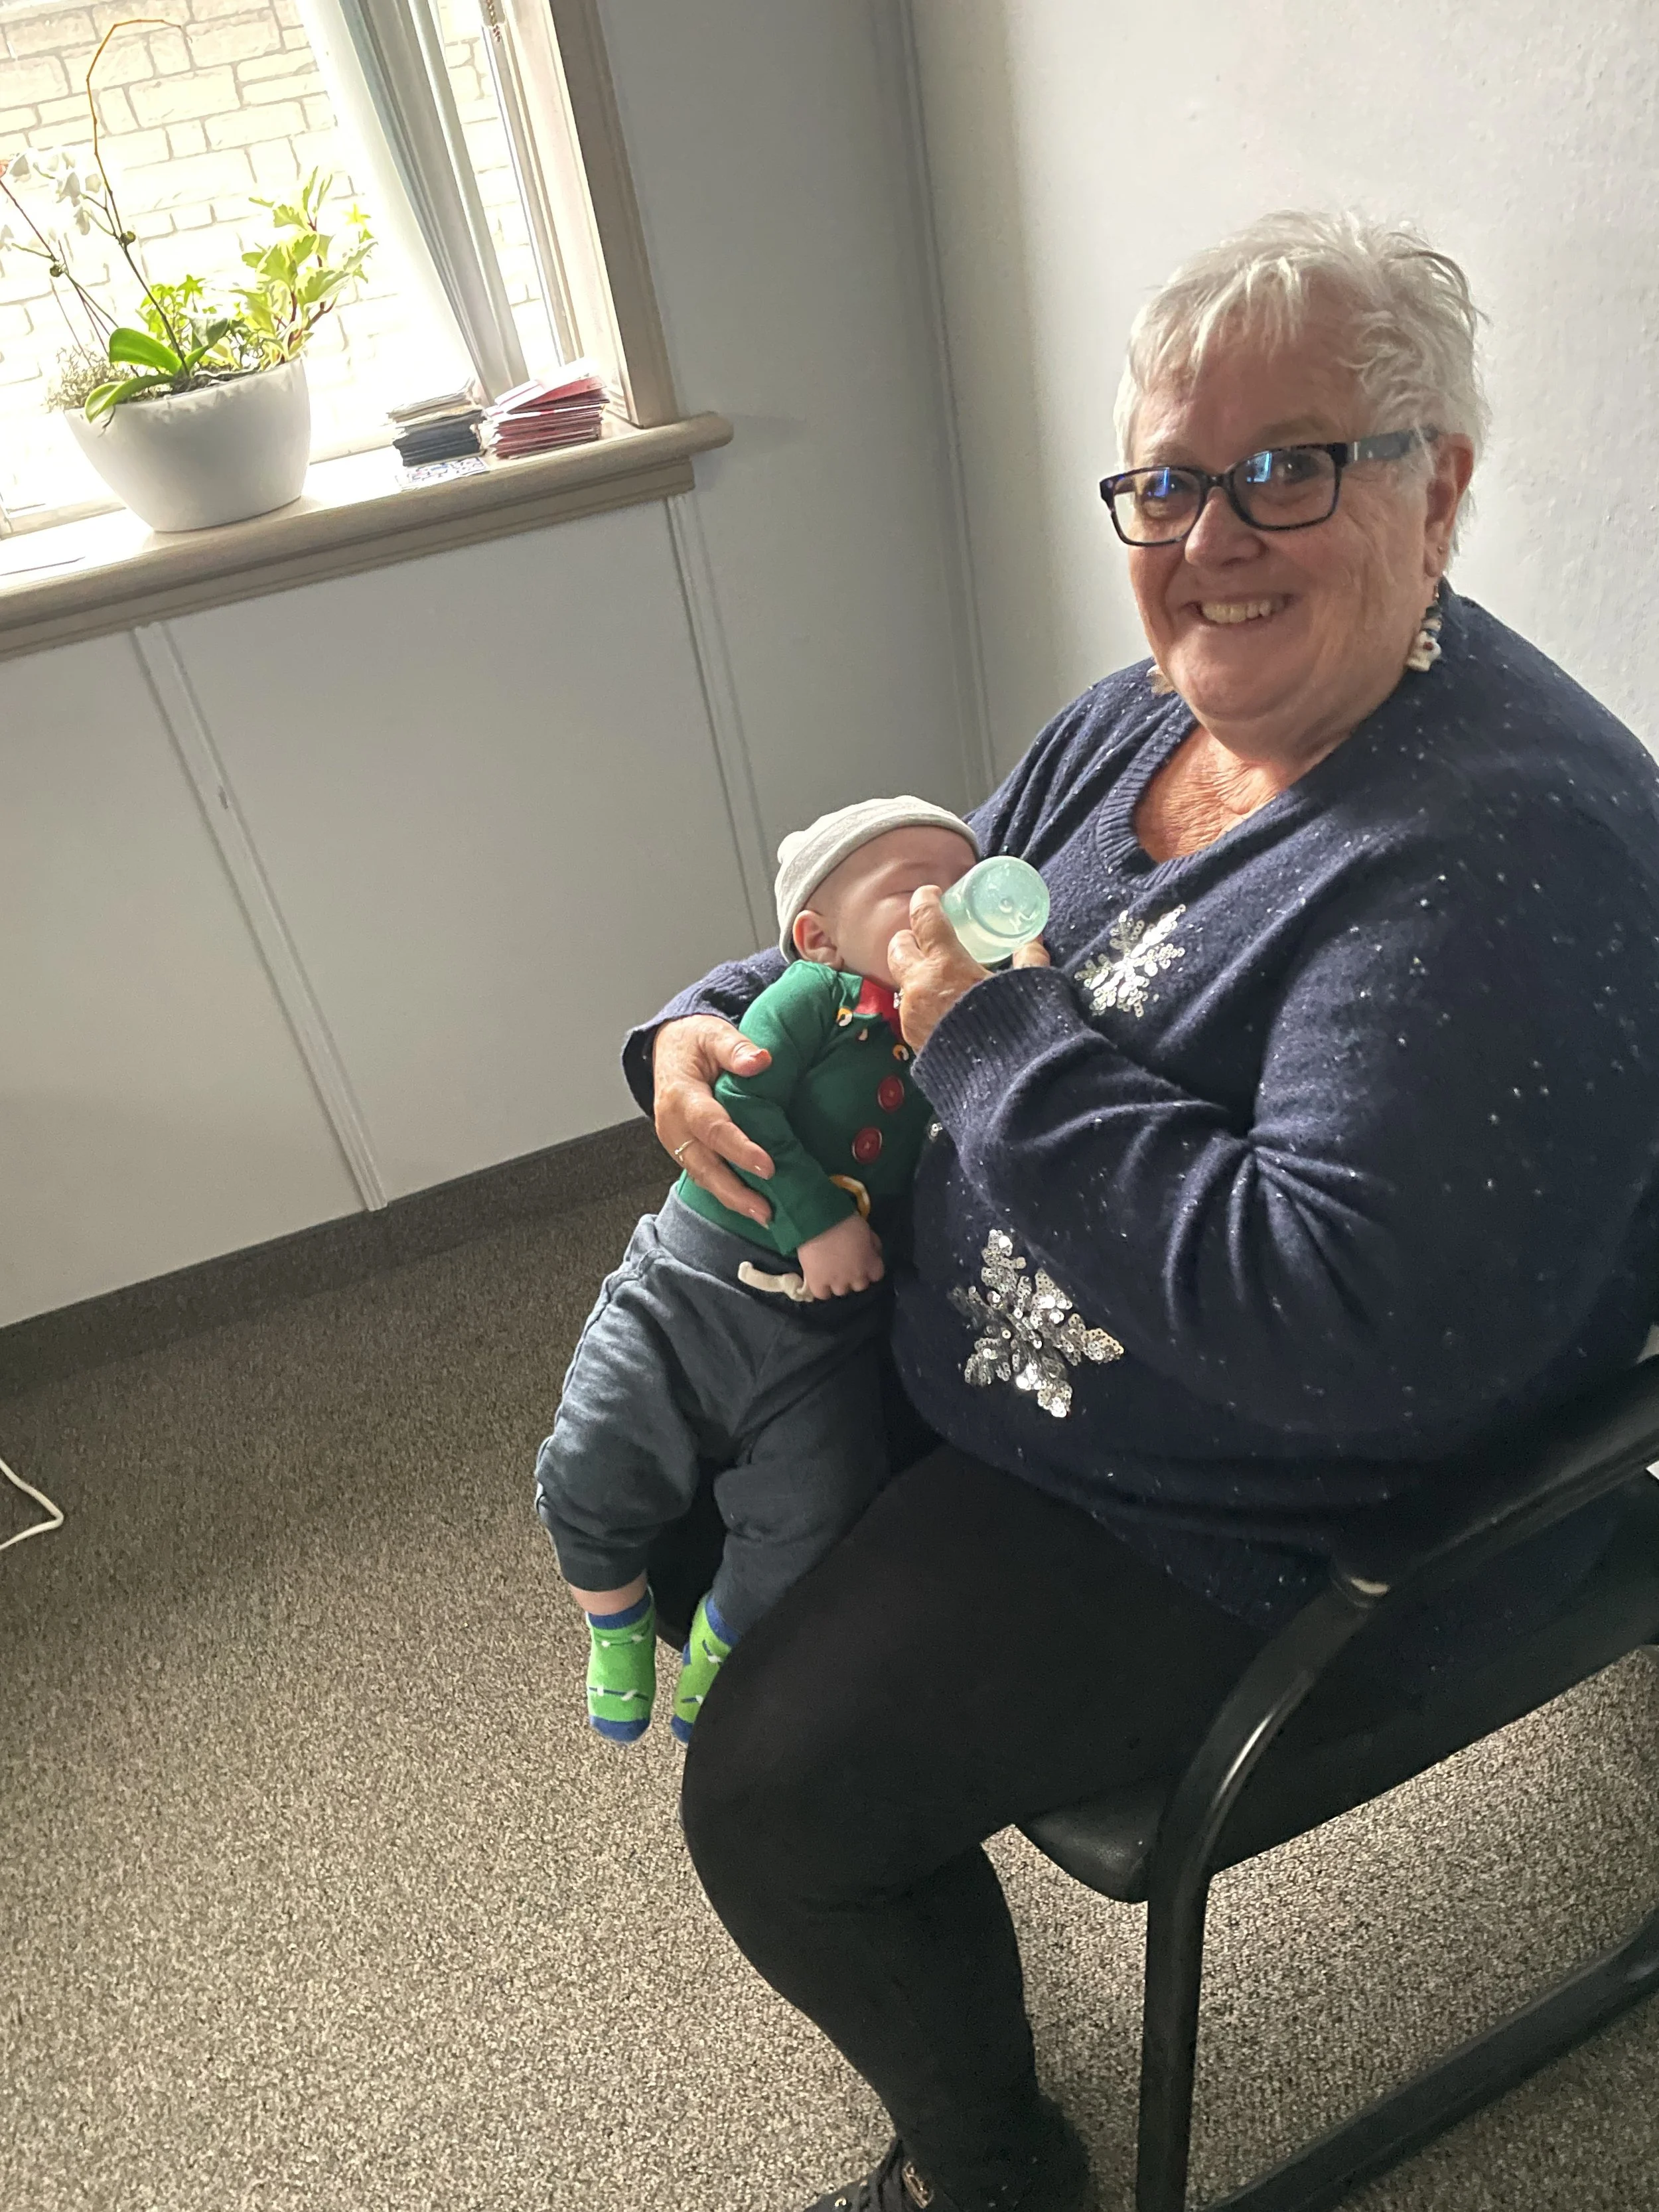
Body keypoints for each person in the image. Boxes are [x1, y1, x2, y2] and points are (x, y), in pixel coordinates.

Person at [624, 211, 1659, 2212]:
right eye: (1169, 479)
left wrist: (995, 1050)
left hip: (1261, 1515)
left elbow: (1335, 1327)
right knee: (668, 1502)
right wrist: (696, 1029)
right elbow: (905, 939)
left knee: (772, 1808)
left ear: (1434, 484)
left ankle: (1001, 2172)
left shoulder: (1495, 863)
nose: (1210, 540)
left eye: (1291, 467)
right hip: (1021, 1350)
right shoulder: (1146, 718)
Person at [535, 797, 979, 1745]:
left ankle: (721, 1645)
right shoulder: (812, 998)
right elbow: (741, 1107)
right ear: (817, 937)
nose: (945, 906)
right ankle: (612, 1620)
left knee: (814, 1508)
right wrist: (817, 1221)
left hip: (824, 1343)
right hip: (691, 1293)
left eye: (964, 885)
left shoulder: (951, 1016)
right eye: (912, 890)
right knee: (593, 1459)